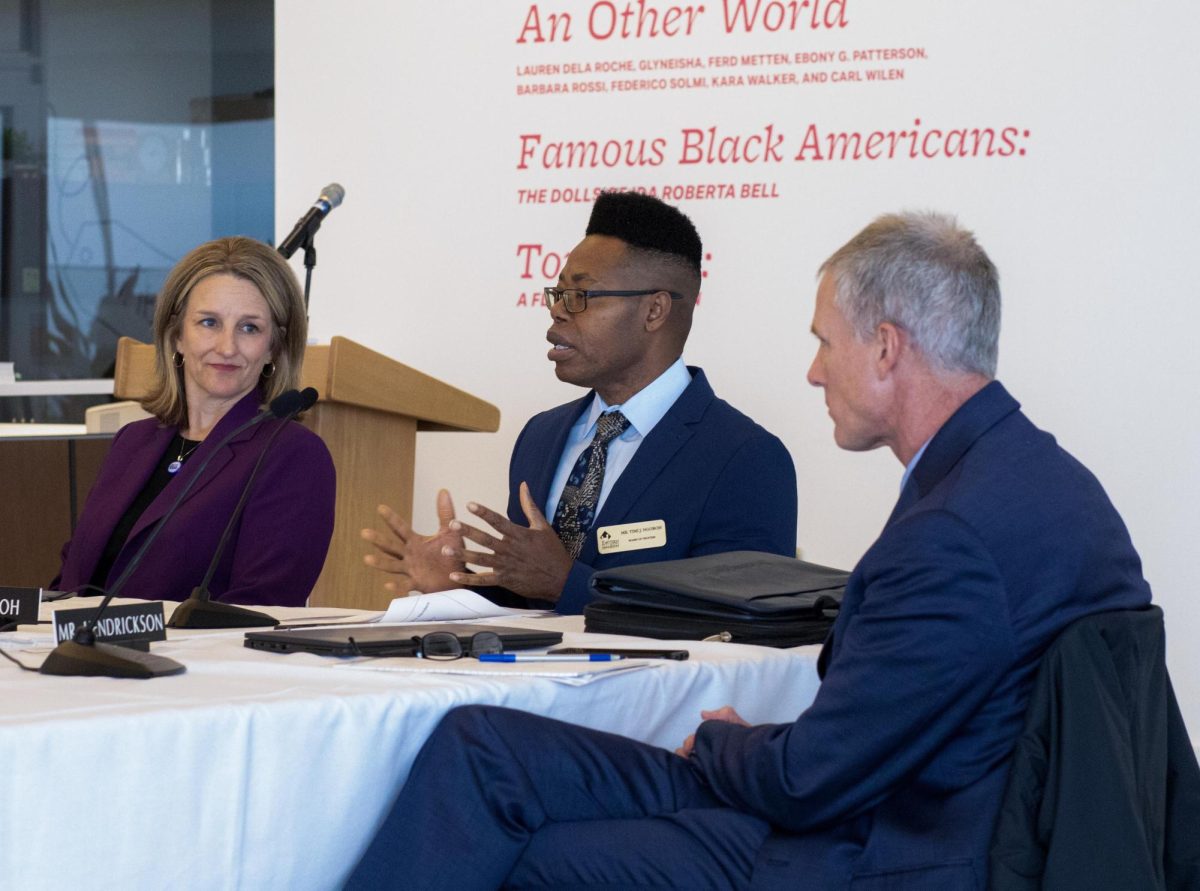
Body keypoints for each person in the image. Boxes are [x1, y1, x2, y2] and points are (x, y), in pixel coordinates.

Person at [345, 212, 1154, 889]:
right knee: (483, 746)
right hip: (875, 804)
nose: (810, 372)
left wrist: (729, 740)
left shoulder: (953, 537)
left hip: (872, 850)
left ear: (886, 347)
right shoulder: (1043, 482)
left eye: (824, 343)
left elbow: (809, 779)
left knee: (528, 851)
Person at [362, 192, 797, 613]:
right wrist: (456, 586)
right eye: (558, 294)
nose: (558, 311)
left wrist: (566, 584)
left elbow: (733, 626)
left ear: (654, 311)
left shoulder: (745, 458)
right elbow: (530, 605)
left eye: (581, 295)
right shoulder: (541, 436)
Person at [54, 237, 335, 607]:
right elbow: (70, 579)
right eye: (209, 323)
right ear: (176, 336)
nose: (227, 347)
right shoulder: (132, 441)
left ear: (274, 348)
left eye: (249, 328)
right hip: (79, 655)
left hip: (192, 663)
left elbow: (262, 606)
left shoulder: (293, 454)